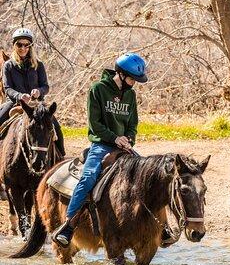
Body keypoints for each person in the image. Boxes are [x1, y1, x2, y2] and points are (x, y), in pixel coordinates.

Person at [52, 52, 148, 247]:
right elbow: (95, 125)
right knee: (88, 177)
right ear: (120, 74)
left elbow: (132, 124)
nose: (134, 83)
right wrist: (114, 138)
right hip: (101, 145)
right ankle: (68, 225)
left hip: (124, 146)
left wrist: (128, 139)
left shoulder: (130, 94)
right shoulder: (98, 89)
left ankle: (160, 229)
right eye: (132, 78)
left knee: (148, 175)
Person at [1, 27, 66, 156]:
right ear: (15, 45)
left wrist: (39, 92)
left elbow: (45, 86)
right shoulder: (8, 65)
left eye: (27, 45)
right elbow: (7, 88)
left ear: (31, 46)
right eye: (19, 44)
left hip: (36, 104)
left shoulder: (38, 65)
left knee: (56, 128)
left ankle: (61, 155)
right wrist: (20, 96)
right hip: (14, 103)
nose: (23, 48)